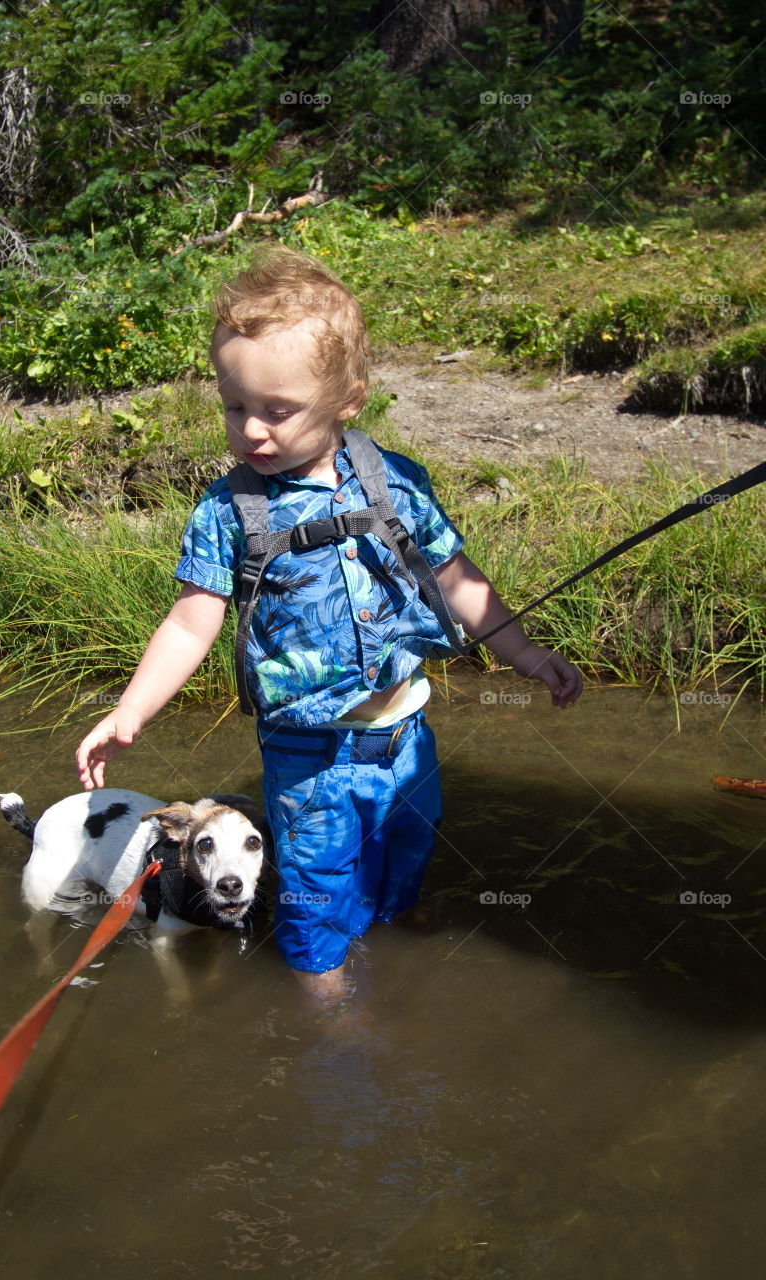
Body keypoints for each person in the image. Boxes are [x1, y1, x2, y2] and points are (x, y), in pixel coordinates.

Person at [76, 246, 583, 1001]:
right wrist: (132, 709)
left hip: (403, 730)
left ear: (348, 399)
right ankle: (324, 988)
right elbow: (191, 621)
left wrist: (523, 650)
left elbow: (456, 579)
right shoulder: (227, 511)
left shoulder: (396, 481)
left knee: (406, 841)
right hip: (305, 750)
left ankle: (399, 915)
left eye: (277, 411)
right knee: (315, 875)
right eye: (234, 406)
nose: (251, 430)